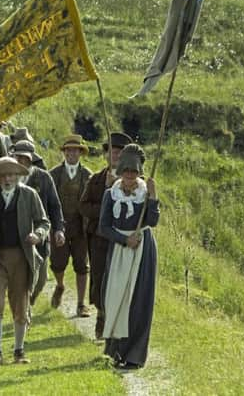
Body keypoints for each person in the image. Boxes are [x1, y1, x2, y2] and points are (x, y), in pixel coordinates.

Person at [0, 157, 50, 364]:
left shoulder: (29, 195)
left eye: (11, 174)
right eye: (3, 175)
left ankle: (19, 350)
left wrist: (37, 234)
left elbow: (44, 222)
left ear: (18, 176)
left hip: (22, 256)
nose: (7, 178)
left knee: (20, 303)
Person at [99, 144, 159, 369]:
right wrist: (124, 240)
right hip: (119, 250)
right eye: (126, 173)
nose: (129, 178)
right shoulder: (110, 194)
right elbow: (103, 227)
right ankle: (114, 351)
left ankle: (133, 355)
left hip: (142, 251)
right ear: (120, 172)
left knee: (137, 302)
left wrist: (153, 197)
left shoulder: (145, 194)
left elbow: (152, 221)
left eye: (134, 173)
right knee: (115, 299)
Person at [79, 132, 132, 339]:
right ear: (106, 155)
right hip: (100, 239)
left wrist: (115, 189)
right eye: (112, 152)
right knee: (100, 277)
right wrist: (104, 203)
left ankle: (119, 322)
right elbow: (83, 206)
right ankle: (102, 316)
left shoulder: (133, 181)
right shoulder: (96, 179)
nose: (115, 156)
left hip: (123, 240)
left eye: (120, 152)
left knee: (120, 279)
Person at [10, 140, 64, 310]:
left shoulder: (43, 177)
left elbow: (55, 206)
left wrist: (59, 230)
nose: (21, 161)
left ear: (31, 159)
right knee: (21, 278)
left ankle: (30, 300)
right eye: (18, 157)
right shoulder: (8, 177)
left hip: (40, 235)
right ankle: (23, 310)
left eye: (24, 158)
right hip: (16, 237)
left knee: (40, 280)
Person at [49, 135, 92, 317]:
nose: (71, 153)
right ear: (64, 153)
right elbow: (49, 201)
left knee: (82, 265)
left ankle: (81, 304)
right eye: (68, 150)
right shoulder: (53, 175)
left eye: (75, 150)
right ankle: (59, 285)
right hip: (59, 226)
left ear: (80, 153)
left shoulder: (88, 175)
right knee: (58, 264)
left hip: (81, 228)